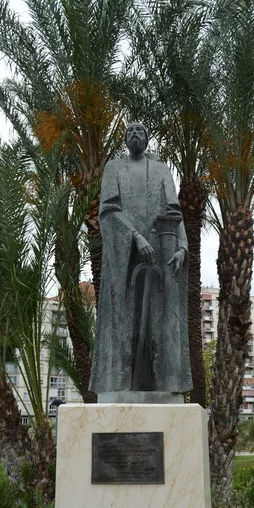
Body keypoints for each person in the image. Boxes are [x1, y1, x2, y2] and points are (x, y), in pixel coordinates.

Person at [89, 123, 192, 396]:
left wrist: (182, 247)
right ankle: (119, 384)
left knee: (159, 319)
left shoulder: (161, 169)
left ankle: (163, 383)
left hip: (162, 248)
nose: (135, 134)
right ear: (125, 139)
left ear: (147, 138)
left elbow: (174, 212)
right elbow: (109, 209)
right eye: (130, 131)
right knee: (124, 319)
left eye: (140, 131)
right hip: (124, 254)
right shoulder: (114, 168)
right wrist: (134, 235)